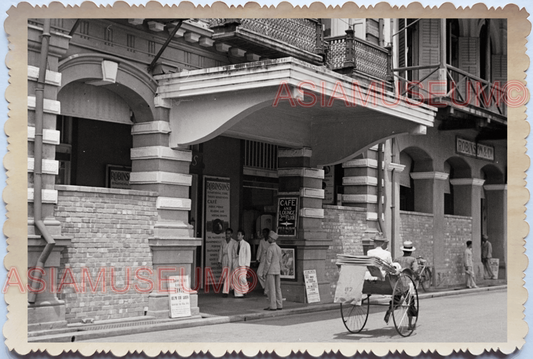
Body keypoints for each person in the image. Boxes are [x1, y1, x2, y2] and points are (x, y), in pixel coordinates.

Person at [384, 240, 418, 330]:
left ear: (403, 250)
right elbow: (415, 270)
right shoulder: (413, 260)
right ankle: (410, 325)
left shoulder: (397, 259)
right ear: (411, 251)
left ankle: (390, 310)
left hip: (397, 284)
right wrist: (418, 276)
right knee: (410, 304)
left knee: (395, 300)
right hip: (407, 284)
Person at [261, 230, 283, 311]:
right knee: (278, 288)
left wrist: (264, 272)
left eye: (269, 238)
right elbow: (280, 261)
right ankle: (279, 304)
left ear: (272, 239)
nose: (268, 239)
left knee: (271, 289)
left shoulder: (270, 248)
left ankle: (273, 306)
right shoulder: (279, 248)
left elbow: (268, 262)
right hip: (277, 270)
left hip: (270, 271)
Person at [232, 229, 251, 298]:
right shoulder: (235, 244)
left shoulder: (246, 244)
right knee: (236, 278)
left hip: (243, 263)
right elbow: (233, 254)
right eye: (237, 234)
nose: (238, 236)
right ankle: (238, 293)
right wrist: (233, 262)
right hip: (236, 262)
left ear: (243, 236)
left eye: (239, 234)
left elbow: (248, 255)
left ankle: (245, 290)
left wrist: (247, 264)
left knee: (242, 278)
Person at [218, 228, 236, 297]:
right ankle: (231, 289)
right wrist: (219, 261)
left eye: (228, 233)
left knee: (230, 275)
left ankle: (226, 291)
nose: (227, 235)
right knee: (225, 275)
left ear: (231, 234)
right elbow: (220, 252)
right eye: (226, 233)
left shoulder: (234, 242)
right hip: (224, 259)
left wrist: (235, 262)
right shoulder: (223, 242)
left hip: (231, 259)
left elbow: (235, 253)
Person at [256, 228, 271, 292]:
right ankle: (265, 286)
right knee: (259, 273)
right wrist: (257, 258)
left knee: (267, 274)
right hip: (262, 259)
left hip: (269, 259)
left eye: (265, 232)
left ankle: (267, 289)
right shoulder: (261, 241)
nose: (264, 234)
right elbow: (259, 250)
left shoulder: (270, 241)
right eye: (263, 232)